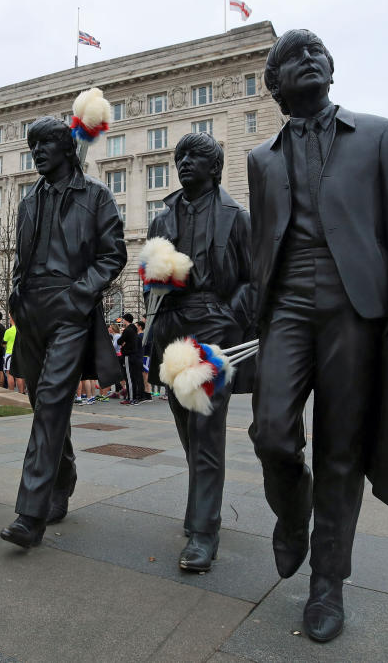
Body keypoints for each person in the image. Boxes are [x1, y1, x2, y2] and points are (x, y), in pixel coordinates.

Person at [246, 29, 388, 642]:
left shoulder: (382, 136)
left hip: (358, 304)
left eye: (316, 50)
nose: (308, 58)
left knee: (340, 446)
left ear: (332, 68)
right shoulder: (261, 160)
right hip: (288, 305)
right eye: (291, 56)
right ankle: (293, 510)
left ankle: (327, 582)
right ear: (273, 86)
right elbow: (262, 245)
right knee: (271, 430)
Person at [0, 115, 126, 547]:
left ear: (67, 148)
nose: (37, 152)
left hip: (70, 308)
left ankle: (29, 514)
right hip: (31, 310)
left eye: (46, 144)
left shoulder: (96, 196)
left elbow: (114, 255)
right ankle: (63, 473)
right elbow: (21, 257)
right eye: (33, 145)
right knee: (43, 404)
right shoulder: (27, 201)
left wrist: (80, 294)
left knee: (53, 402)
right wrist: (16, 294)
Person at [146, 130, 254, 573]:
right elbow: (150, 281)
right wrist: (157, 275)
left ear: (215, 167)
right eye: (180, 156)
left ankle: (204, 531)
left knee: (206, 429)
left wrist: (231, 317)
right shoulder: (161, 218)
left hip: (214, 323)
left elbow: (253, 277)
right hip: (172, 325)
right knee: (186, 427)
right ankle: (202, 507)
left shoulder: (236, 217)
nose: (184, 162)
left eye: (195, 156)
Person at [117, 313, 146, 405]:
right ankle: (133, 397)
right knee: (133, 377)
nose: (122, 321)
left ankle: (131, 398)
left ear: (126, 320)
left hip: (128, 355)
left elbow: (119, 341)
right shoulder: (134, 329)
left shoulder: (128, 330)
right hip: (134, 355)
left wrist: (123, 342)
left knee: (129, 378)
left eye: (123, 320)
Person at [3, 314, 25, 393]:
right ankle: (21, 392)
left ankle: (11, 392)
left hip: (9, 354)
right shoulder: (21, 330)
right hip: (20, 354)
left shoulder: (8, 331)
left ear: (12, 319)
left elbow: (3, 343)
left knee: (10, 374)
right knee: (19, 374)